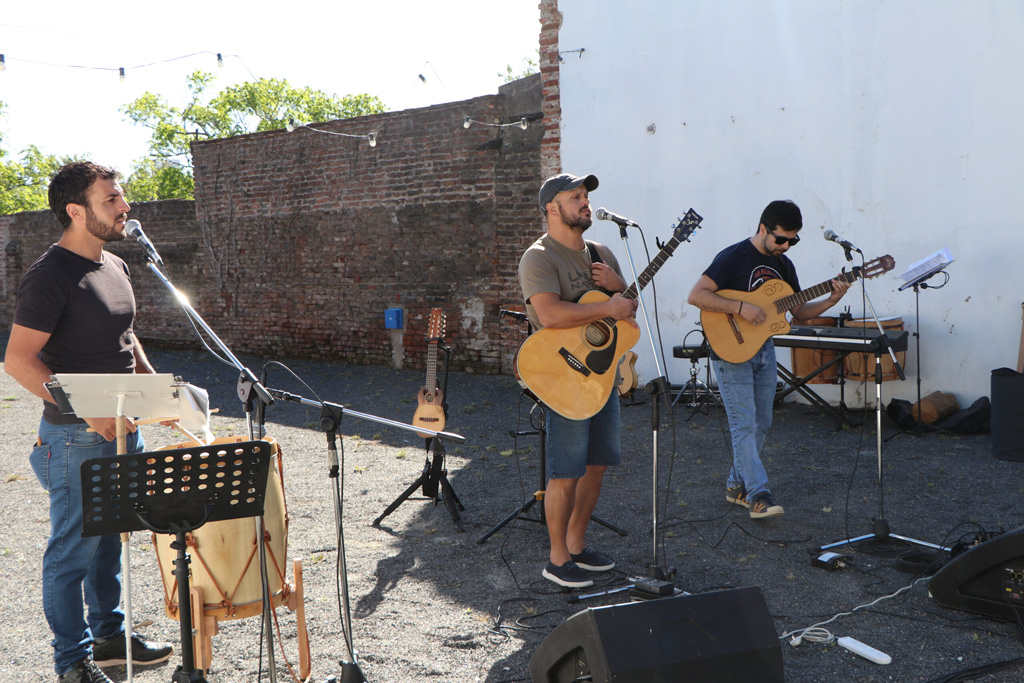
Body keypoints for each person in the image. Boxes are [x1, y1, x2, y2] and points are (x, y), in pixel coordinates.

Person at [4, 162, 173, 683]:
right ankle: (70, 663)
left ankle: (110, 640)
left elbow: (124, 337)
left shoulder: (115, 266)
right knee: (72, 551)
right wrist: (89, 413)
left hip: (125, 428)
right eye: (111, 201)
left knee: (109, 543)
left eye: (122, 198)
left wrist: (155, 384)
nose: (125, 208)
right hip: (76, 435)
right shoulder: (49, 275)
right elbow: (19, 361)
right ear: (75, 211)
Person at [687, 200, 851, 519]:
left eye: (793, 240)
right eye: (781, 239)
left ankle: (736, 486)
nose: (786, 246)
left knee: (762, 422)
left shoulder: (784, 265)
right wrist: (740, 308)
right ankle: (757, 494)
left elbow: (800, 313)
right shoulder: (733, 256)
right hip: (730, 349)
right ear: (763, 229)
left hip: (764, 348)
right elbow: (697, 295)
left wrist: (832, 298)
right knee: (744, 424)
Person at [518, 172, 638, 588]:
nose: (585, 202)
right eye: (576, 197)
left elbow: (627, 312)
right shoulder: (540, 257)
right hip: (562, 373)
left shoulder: (601, 252)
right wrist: (608, 306)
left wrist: (619, 288)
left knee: (598, 465)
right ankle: (555, 559)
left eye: (586, 196)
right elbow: (549, 315)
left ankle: (576, 545)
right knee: (565, 471)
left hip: (602, 374)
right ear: (553, 207)